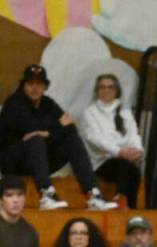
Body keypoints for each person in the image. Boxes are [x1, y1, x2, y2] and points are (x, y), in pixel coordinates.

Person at [0, 64, 117, 211]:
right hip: (13, 162)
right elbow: (32, 131)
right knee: (36, 140)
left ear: (45, 86)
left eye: (39, 84)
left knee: (72, 140)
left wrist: (49, 132)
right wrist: (57, 125)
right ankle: (47, 195)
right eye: (30, 83)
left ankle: (93, 194)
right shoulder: (14, 103)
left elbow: (71, 127)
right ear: (23, 85)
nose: (35, 88)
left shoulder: (47, 103)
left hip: (39, 161)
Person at [79, 74, 144, 209]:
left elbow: (133, 134)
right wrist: (119, 151)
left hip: (125, 159)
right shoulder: (89, 112)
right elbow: (95, 139)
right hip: (101, 161)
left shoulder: (125, 111)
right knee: (124, 166)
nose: (106, 90)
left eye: (110, 87)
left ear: (117, 91)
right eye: (102, 87)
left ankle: (128, 206)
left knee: (133, 171)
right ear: (97, 91)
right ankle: (123, 201)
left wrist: (137, 150)